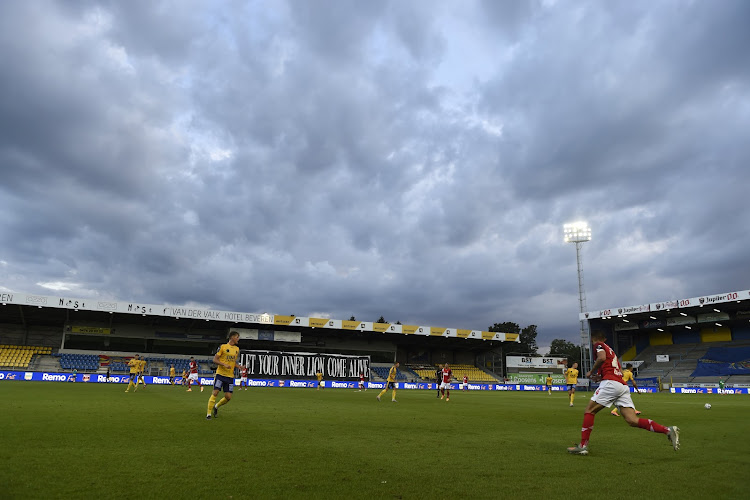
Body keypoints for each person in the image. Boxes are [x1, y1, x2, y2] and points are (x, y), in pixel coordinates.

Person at [567, 331, 680, 455]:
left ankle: (582, 446)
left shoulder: (598, 345)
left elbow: (601, 358)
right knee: (632, 420)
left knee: (589, 411)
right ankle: (667, 430)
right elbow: (618, 370)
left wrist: (591, 372)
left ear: (593, 338)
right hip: (622, 385)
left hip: (611, 384)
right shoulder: (612, 352)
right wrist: (600, 377)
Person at [206, 331, 242, 420]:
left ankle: (216, 406)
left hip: (230, 376)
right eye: (237, 337)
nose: (238, 339)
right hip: (220, 374)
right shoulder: (223, 347)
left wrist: (239, 366)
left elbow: (233, 362)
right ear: (232, 337)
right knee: (215, 392)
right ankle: (208, 414)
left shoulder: (237, 349)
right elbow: (215, 360)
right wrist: (223, 364)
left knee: (228, 397)